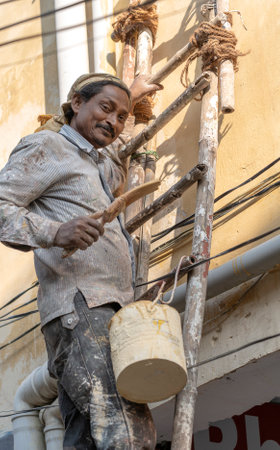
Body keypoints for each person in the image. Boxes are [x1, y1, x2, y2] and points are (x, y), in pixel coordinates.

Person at [0, 73, 162, 449]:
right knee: (128, 431)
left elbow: (115, 141)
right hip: (83, 307)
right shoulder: (47, 147)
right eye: (105, 108)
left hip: (105, 309)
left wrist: (130, 99)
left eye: (121, 116)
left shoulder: (98, 160)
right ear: (76, 103)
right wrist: (56, 232)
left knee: (88, 439)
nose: (113, 120)